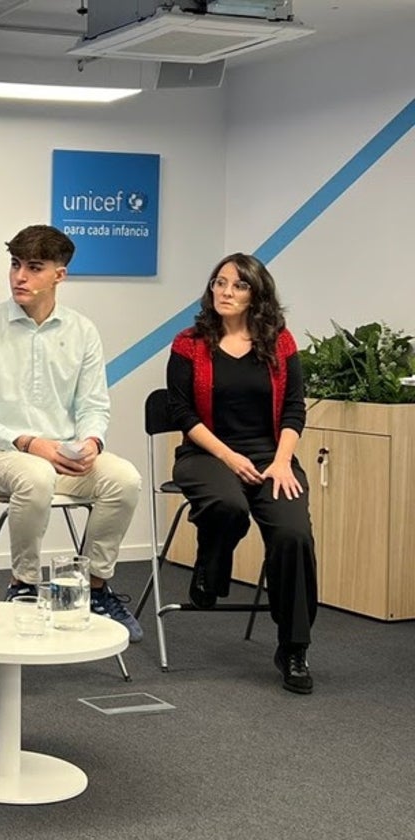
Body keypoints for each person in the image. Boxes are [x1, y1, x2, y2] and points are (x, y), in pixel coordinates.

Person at [0, 225, 144, 641]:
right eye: (15, 264)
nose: (19, 276)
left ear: (60, 275)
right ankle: (23, 586)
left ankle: (95, 588)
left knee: (124, 479)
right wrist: (29, 443)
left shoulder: (83, 331)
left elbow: (94, 405)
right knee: (35, 476)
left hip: (63, 454)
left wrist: (92, 442)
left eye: (34, 267)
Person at [167, 253, 317, 694]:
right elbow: (180, 409)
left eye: (237, 285)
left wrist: (283, 461)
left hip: (273, 457)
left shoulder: (280, 342)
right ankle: (211, 567)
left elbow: (294, 407)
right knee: (226, 504)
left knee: (294, 537)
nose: (225, 292)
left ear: (257, 293)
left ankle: (293, 647)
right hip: (206, 453)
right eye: (219, 283)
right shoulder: (189, 342)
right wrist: (229, 458)